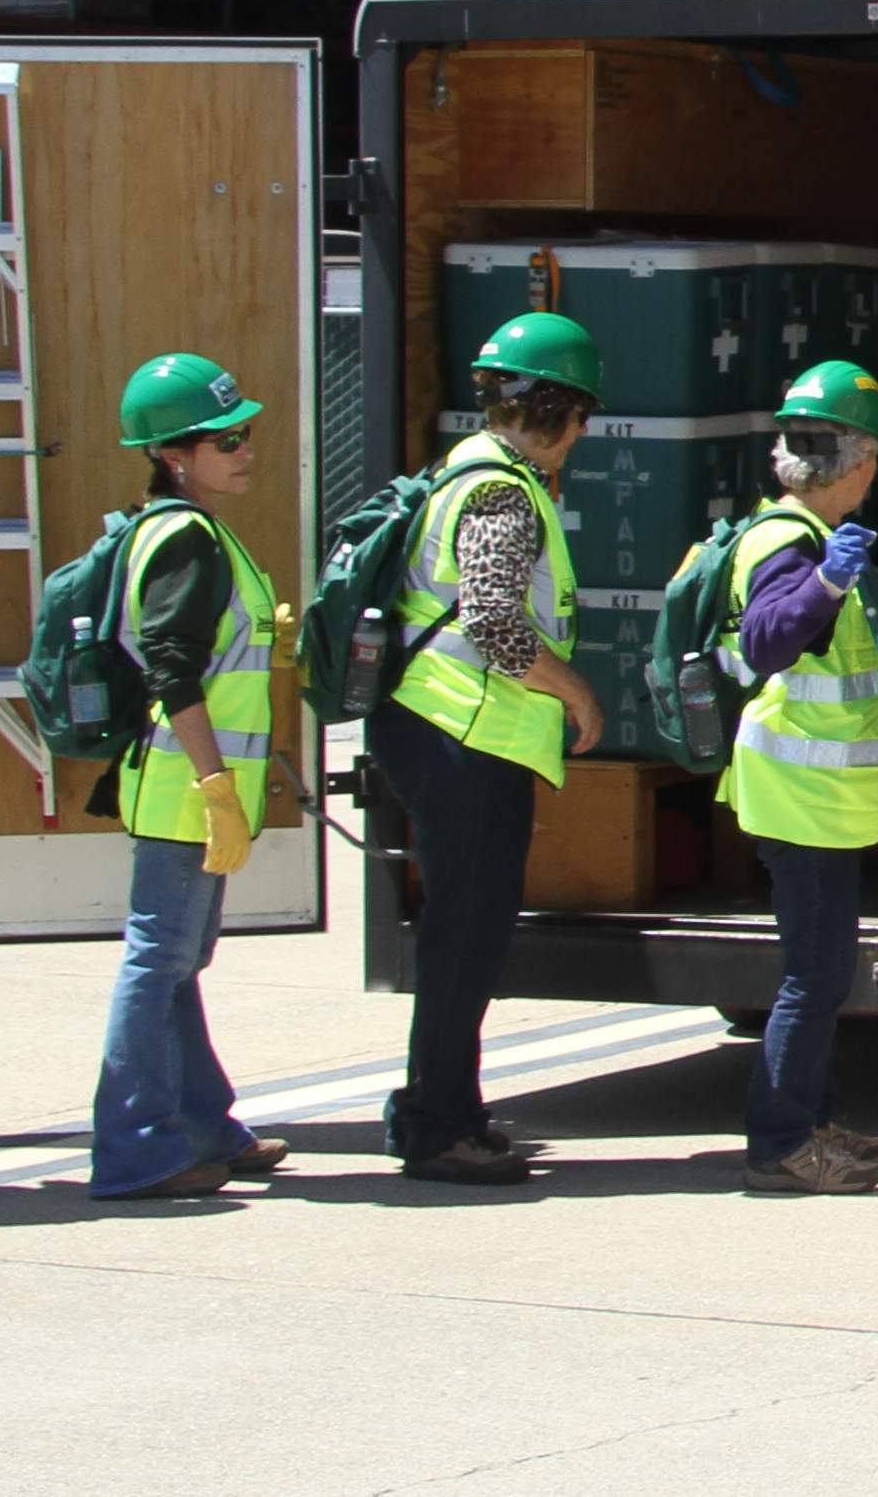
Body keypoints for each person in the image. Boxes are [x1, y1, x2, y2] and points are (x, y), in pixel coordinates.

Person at [372, 311, 607, 1187]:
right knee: (464, 938)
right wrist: (576, 689)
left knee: (461, 933)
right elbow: (496, 622)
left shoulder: (464, 471)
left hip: (445, 730)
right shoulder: (502, 491)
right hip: (463, 735)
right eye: (579, 416)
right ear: (557, 410)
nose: (579, 435)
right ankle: (438, 1123)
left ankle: (447, 1109)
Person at [86, 354, 293, 1200]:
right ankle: (134, 1149)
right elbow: (173, 668)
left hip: (190, 785)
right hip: (184, 788)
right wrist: (215, 785)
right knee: (158, 962)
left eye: (245, 432)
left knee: (178, 960)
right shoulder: (184, 537)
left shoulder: (191, 529)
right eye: (227, 439)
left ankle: (202, 1123)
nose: (247, 450)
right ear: (175, 455)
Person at [718, 361, 878, 1196]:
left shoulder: (804, 533)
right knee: (813, 978)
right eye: (874, 460)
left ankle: (814, 1125)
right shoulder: (787, 542)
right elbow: (765, 641)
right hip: (798, 796)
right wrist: (828, 581)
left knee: (822, 974)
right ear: (855, 463)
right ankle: (781, 1144)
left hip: (814, 796)